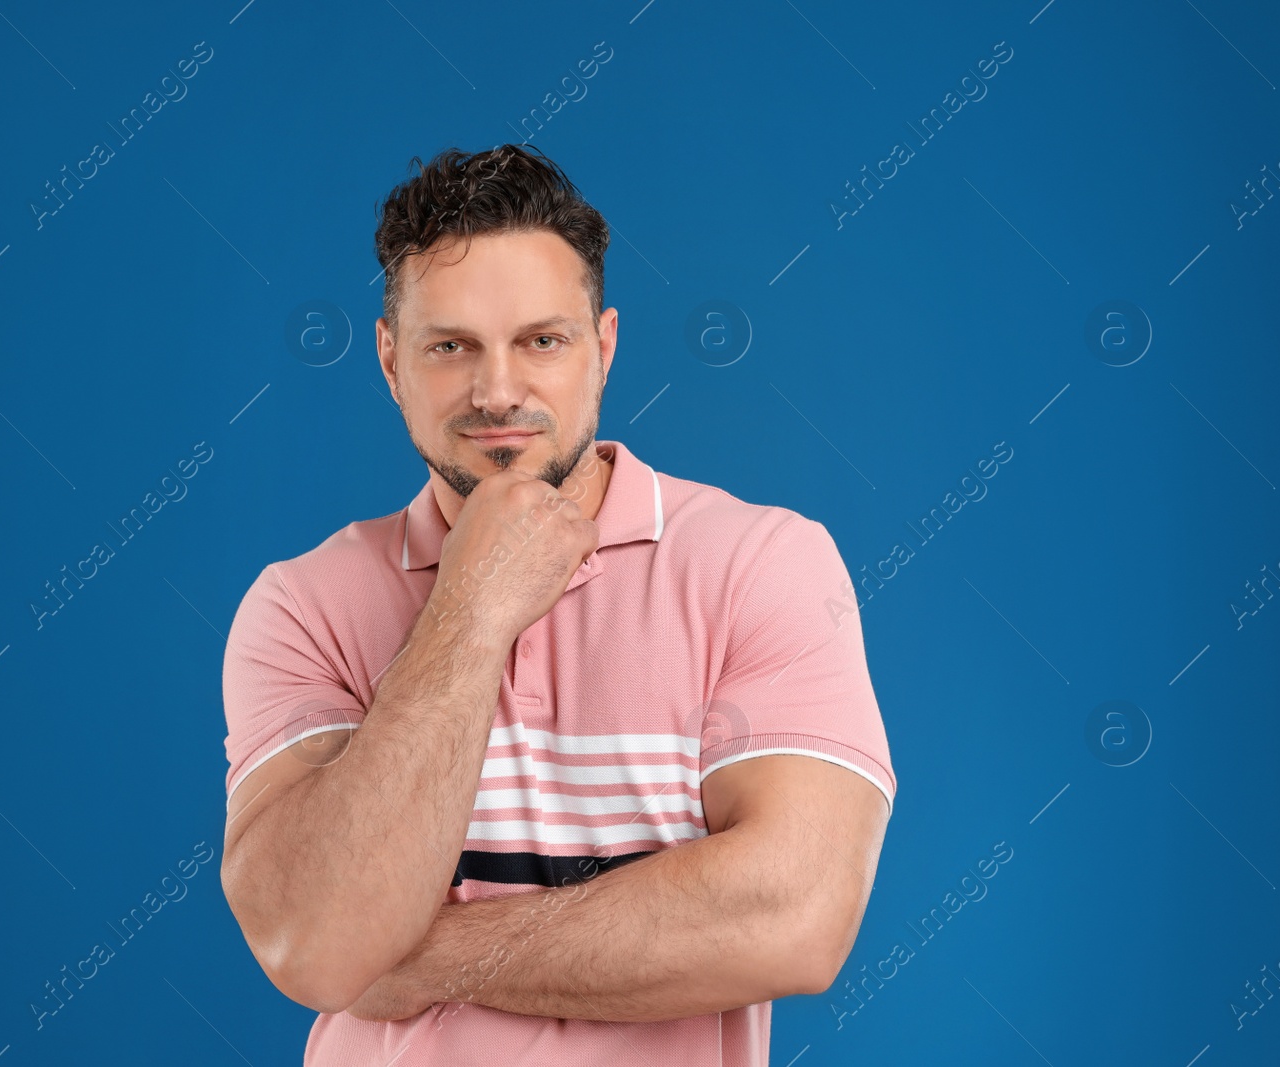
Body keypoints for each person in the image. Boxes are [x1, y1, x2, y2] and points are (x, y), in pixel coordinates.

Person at [218, 143, 896, 1066]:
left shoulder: (762, 562)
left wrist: (415, 956)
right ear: (388, 359)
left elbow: (797, 914)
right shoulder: (304, 604)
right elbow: (315, 936)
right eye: (451, 345)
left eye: (542, 340)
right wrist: (472, 607)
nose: (498, 391)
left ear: (604, 347)